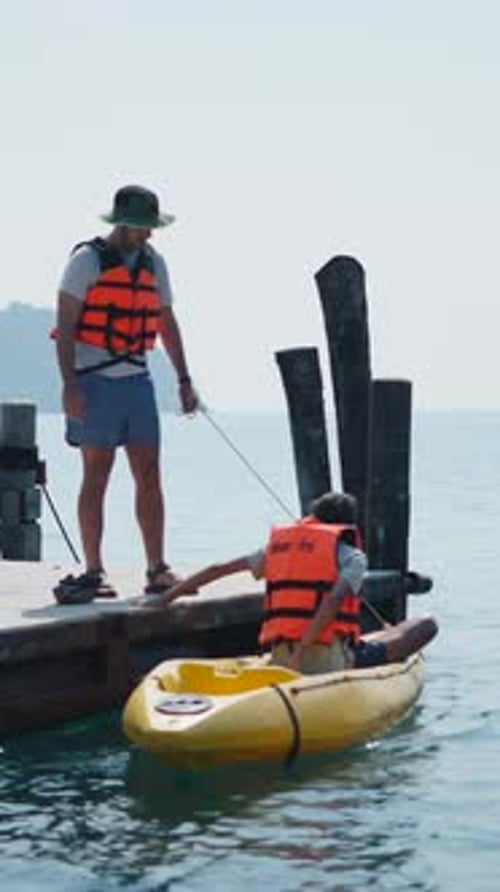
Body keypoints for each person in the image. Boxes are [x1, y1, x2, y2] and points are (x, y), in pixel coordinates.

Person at [53, 184, 198, 604]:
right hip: (94, 382)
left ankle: (157, 568)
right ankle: (93, 569)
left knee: (149, 472)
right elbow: (65, 327)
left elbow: (167, 324)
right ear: (121, 222)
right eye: (140, 227)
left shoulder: (155, 265)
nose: (148, 235)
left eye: (151, 227)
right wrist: (69, 385)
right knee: (96, 474)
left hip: (137, 381)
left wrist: (184, 379)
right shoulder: (86, 261)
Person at [155, 491, 438, 674]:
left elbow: (218, 569)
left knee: (383, 633)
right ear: (349, 524)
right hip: (326, 662)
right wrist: (302, 653)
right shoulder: (353, 557)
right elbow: (331, 602)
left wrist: (164, 598)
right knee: (426, 624)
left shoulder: (276, 551)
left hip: (279, 657)